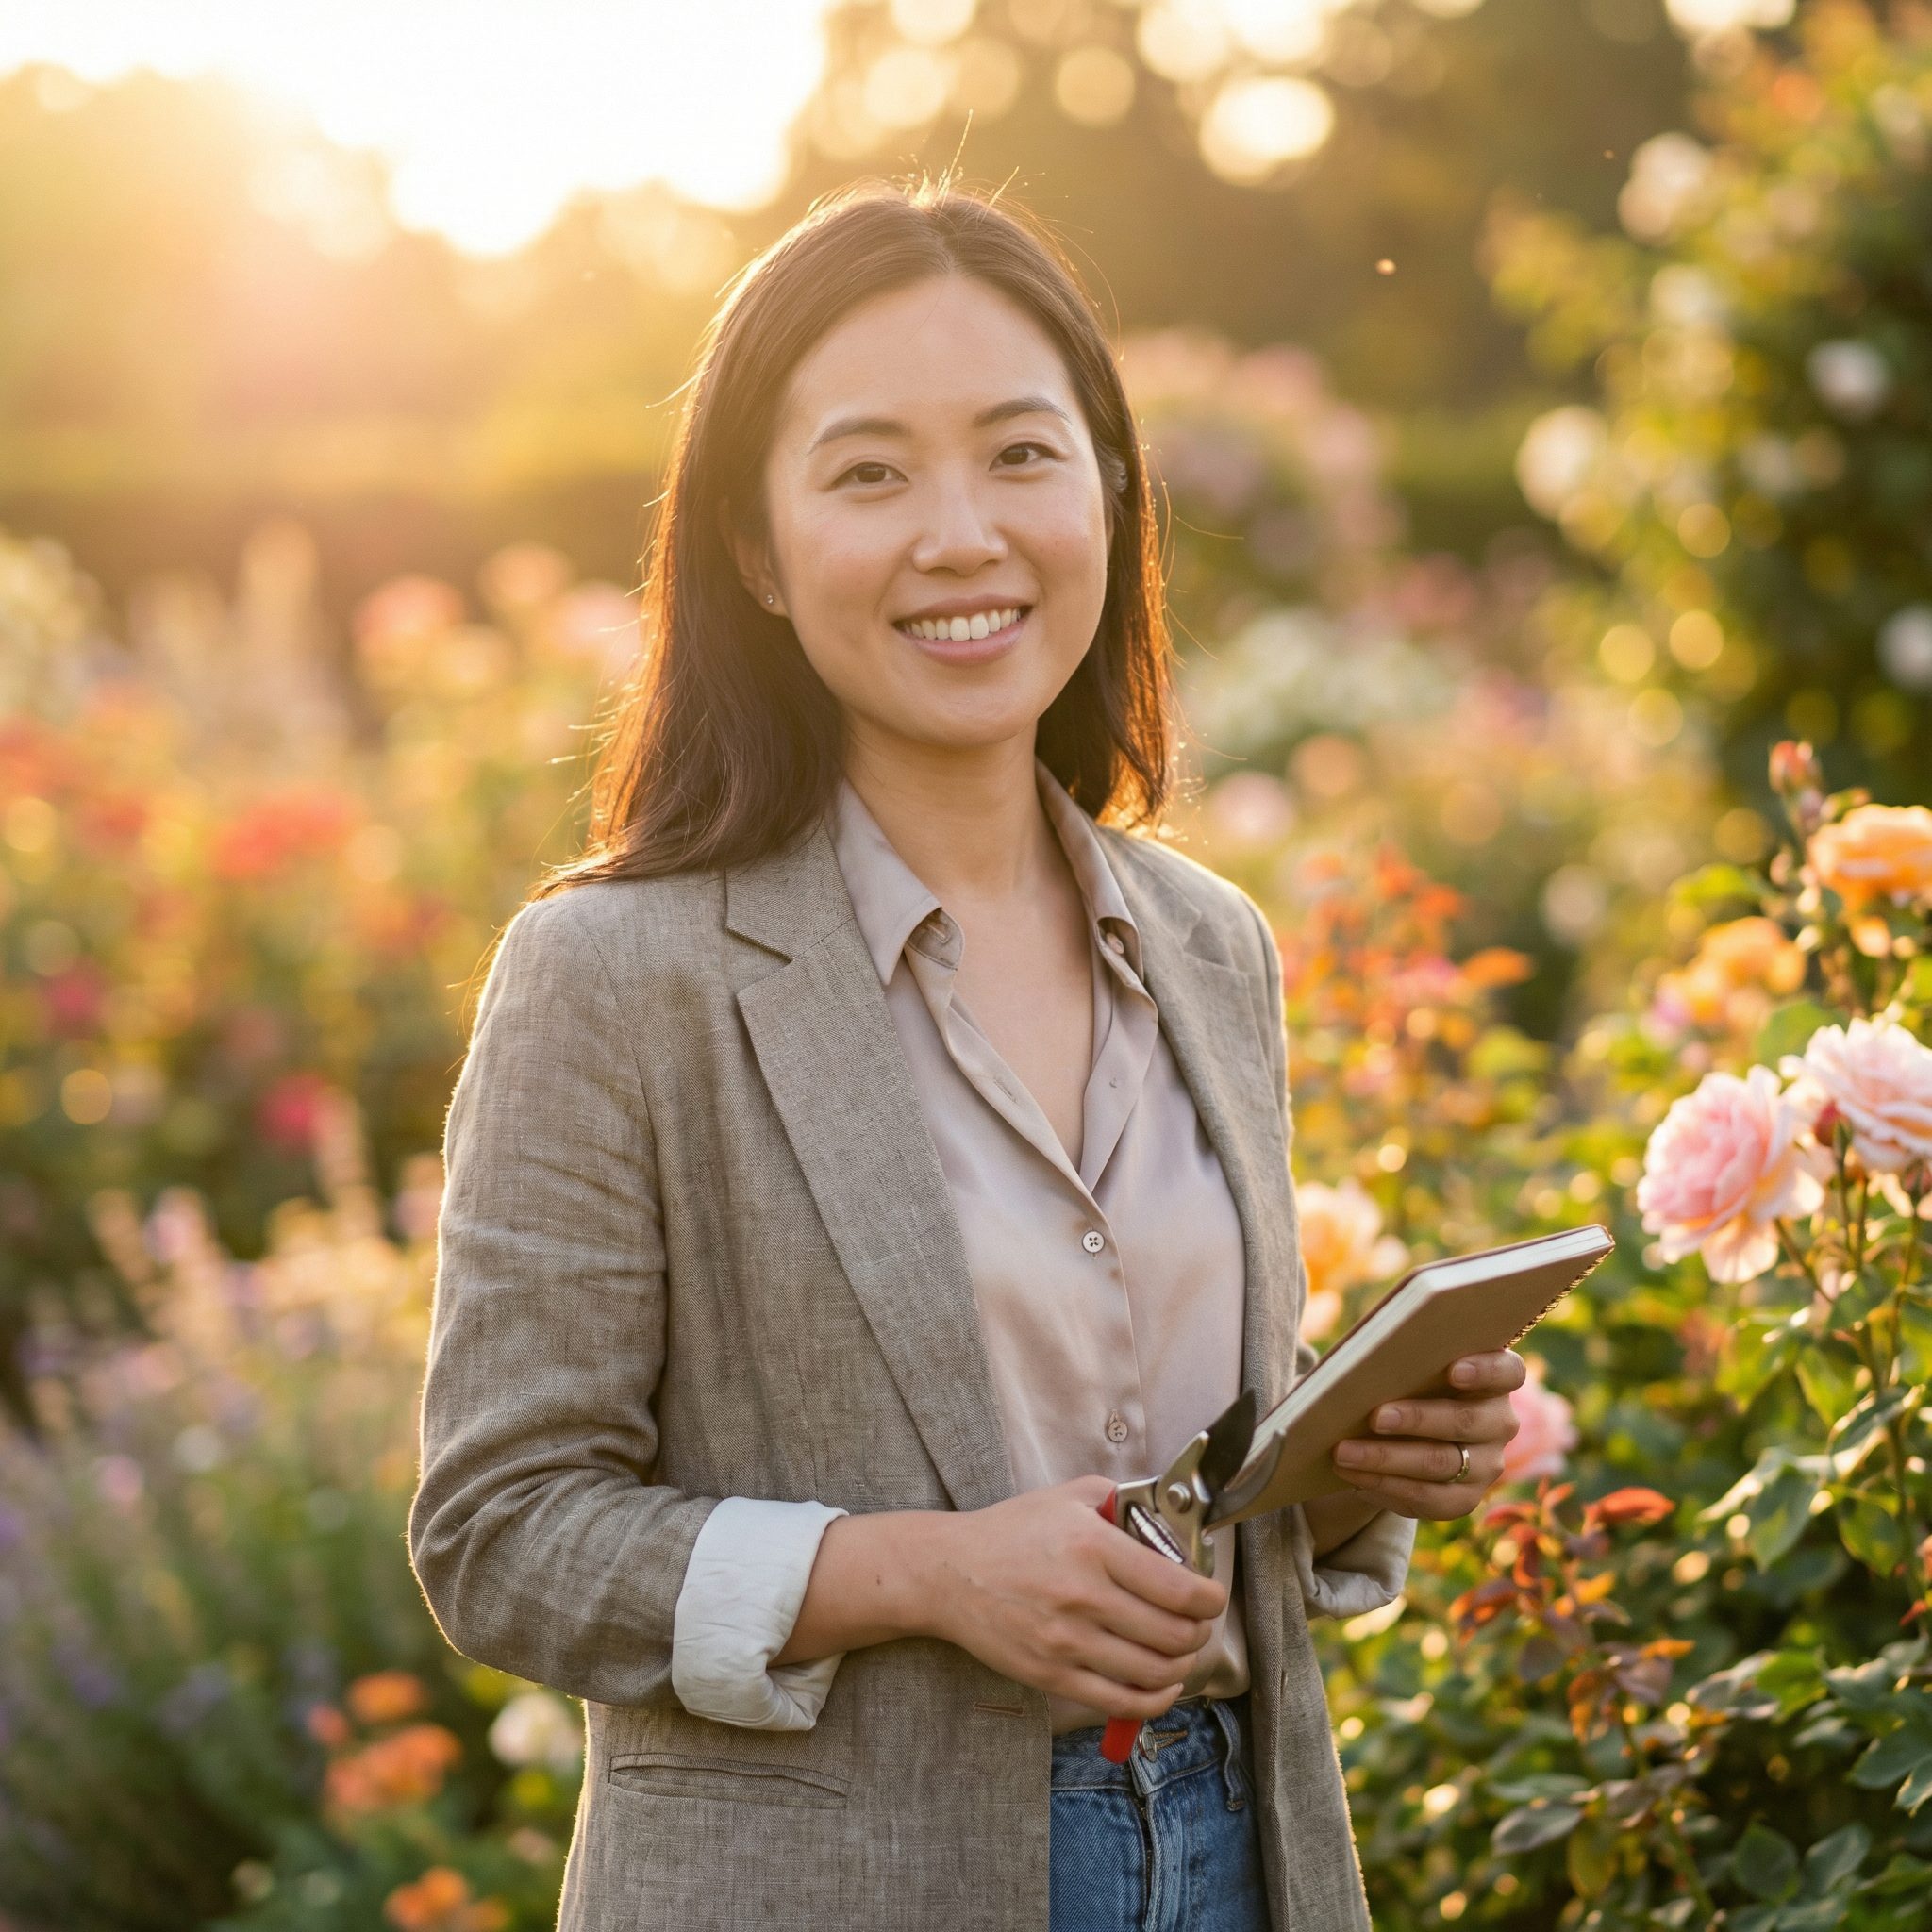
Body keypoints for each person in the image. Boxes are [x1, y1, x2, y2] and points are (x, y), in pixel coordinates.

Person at [407, 177, 1525, 1932]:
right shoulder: (615, 975)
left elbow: (1186, 1470)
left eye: (1022, 453)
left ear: (1109, 494)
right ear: (759, 551)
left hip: (1238, 1853)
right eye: (870, 473)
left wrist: (1360, 1457)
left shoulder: (1209, 945)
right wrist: (924, 1576)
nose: (963, 534)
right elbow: (502, 1535)